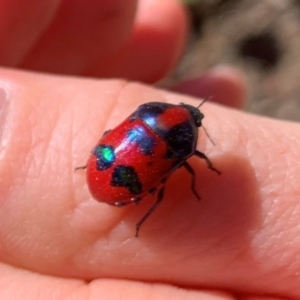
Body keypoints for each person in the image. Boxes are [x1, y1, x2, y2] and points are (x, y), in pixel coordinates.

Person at [0, 0, 299, 299]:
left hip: (107, 169)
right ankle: (141, 219)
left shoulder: (151, 116)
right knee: (164, 189)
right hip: (116, 179)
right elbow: (192, 161)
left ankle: (134, 212)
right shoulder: (184, 145)